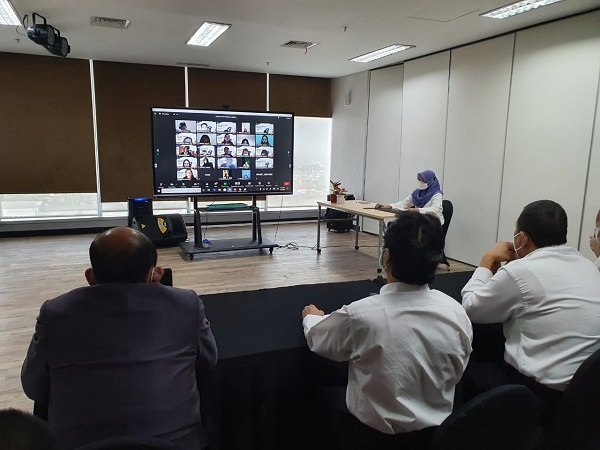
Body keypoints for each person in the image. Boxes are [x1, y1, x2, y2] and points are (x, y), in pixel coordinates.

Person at [21, 227, 218, 450]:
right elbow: (208, 361)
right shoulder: (187, 304)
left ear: (90, 276)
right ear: (154, 274)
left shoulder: (56, 313)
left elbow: (33, 387)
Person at [302, 214, 472, 446]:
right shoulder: (456, 312)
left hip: (372, 437)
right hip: (438, 435)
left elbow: (318, 339)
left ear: (386, 256)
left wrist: (312, 318)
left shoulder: (361, 315)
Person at [461, 200, 600, 412]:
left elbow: (471, 308)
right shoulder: (587, 266)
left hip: (537, 394)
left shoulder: (519, 272)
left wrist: (486, 262)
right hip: (585, 390)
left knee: (467, 359)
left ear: (522, 238)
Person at [375, 170, 444, 224]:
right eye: (419, 180)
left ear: (431, 182)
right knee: (396, 225)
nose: (420, 182)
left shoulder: (437, 194)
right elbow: (404, 203)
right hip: (420, 221)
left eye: (423, 180)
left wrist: (418, 210)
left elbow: (434, 209)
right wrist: (389, 206)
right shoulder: (417, 193)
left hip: (433, 224)